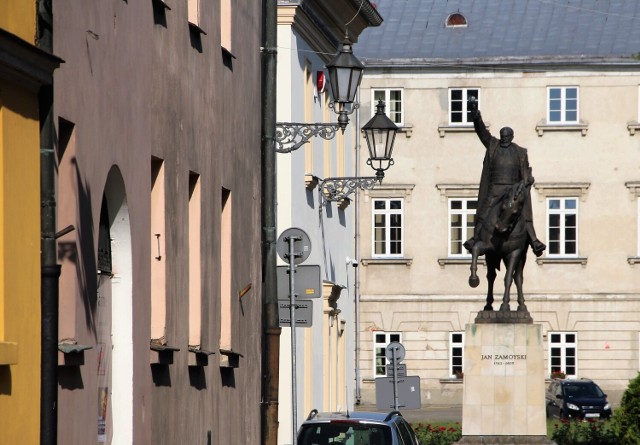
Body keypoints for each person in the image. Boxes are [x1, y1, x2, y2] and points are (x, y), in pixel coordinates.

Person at [463, 98, 546, 257]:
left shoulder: (520, 152)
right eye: (502, 135)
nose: (504, 138)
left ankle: (534, 240)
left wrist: (528, 179)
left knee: (522, 212)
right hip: (495, 188)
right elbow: (481, 132)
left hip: (512, 190)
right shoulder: (493, 145)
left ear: (512, 136)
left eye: (507, 136)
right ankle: (476, 238)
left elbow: (526, 173)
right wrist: (475, 114)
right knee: (484, 212)